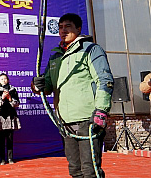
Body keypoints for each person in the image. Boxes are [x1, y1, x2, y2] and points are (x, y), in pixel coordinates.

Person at [32, 13, 114, 178]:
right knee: (75, 171)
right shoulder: (55, 56)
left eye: (68, 26)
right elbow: (47, 86)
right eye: (61, 27)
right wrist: (37, 85)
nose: (63, 30)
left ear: (78, 28)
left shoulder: (91, 49)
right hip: (65, 122)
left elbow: (105, 80)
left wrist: (101, 110)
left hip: (88, 119)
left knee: (90, 170)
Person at [0, 73, 21, 165]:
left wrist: (9, 99)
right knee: (1, 139)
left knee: (10, 139)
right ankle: (2, 159)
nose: (3, 81)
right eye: (1, 79)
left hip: (10, 117)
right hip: (1, 118)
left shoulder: (13, 90)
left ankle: (10, 158)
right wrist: (2, 97)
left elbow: (16, 104)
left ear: (8, 80)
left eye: (5, 79)